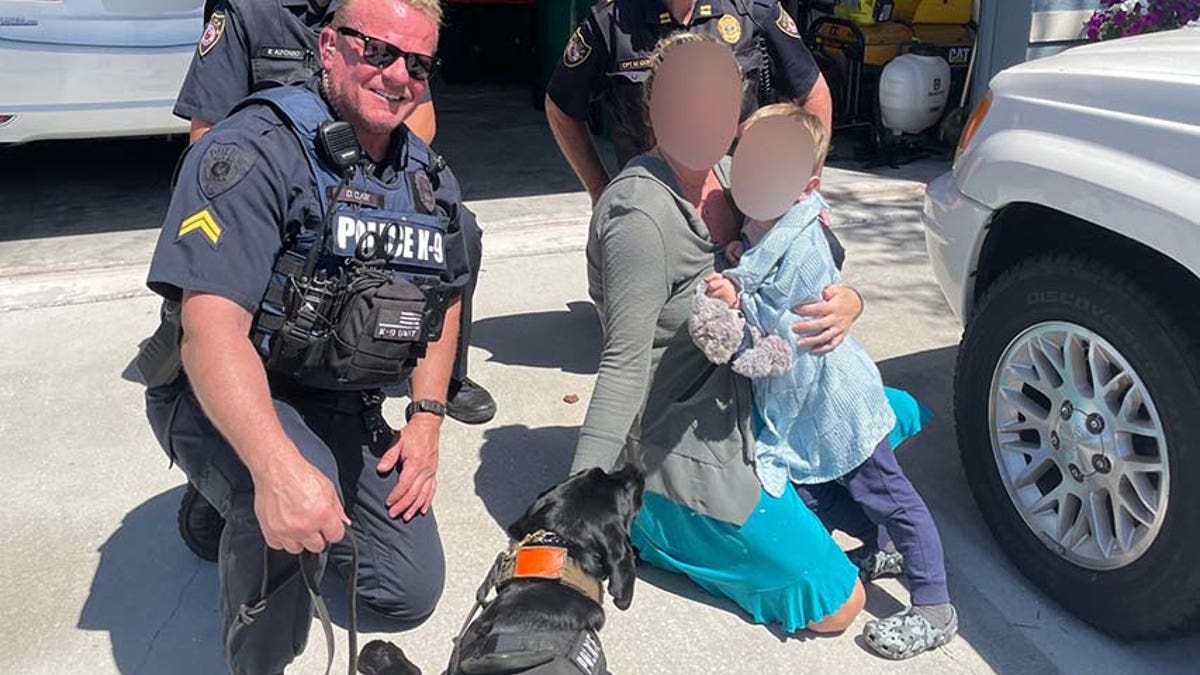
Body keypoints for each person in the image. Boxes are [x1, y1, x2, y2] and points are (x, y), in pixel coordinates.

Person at [141, 1, 466, 672]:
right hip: (217, 387)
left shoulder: (427, 179)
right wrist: (274, 468)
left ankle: (255, 506)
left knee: (408, 588)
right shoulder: (253, 150)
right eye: (376, 50)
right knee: (288, 503)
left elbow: (447, 294)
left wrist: (428, 417)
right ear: (328, 47)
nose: (397, 75)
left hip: (339, 398)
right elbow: (209, 331)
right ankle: (256, 644)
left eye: (417, 64)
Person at [572, 31, 867, 638]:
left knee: (890, 417)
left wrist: (851, 303)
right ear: (652, 107)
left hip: (757, 395)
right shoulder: (640, 218)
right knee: (842, 605)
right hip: (683, 439)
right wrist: (574, 518)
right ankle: (651, 524)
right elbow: (624, 365)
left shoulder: (737, 173)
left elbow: (815, 251)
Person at [702, 102, 958, 659]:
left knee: (888, 495)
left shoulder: (807, 245)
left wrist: (735, 313)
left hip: (836, 404)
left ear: (805, 185)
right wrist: (740, 259)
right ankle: (886, 547)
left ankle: (935, 604)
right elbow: (756, 266)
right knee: (815, 494)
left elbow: (783, 341)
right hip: (804, 408)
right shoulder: (763, 220)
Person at [544, 0, 833, 204]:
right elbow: (561, 107)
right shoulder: (610, 22)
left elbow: (813, 93)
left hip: (741, 209)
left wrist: (806, 195)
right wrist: (599, 190)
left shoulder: (752, 10)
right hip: (651, 206)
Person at [182, 0, 437, 145]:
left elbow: (421, 121)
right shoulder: (246, 10)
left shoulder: (381, 8)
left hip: (361, 191)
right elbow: (208, 135)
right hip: (275, 190)